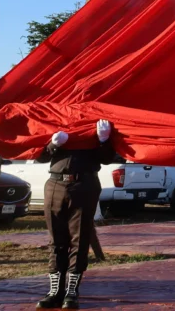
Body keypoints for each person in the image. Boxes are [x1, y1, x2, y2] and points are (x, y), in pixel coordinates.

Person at [36, 118, 117, 309]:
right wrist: (53, 144)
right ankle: (55, 291)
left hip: (84, 184)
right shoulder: (57, 119)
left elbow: (107, 159)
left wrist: (103, 140)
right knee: (56, 238)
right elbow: (39, 156)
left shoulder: (96, 122)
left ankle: (72, 291)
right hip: (55, 183)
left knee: (79, 238)